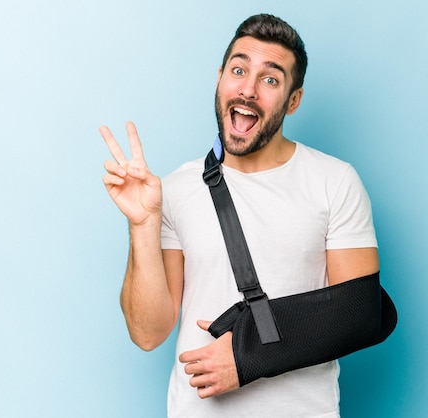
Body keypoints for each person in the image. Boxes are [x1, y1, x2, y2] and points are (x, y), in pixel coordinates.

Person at [100, 14, 379, 418]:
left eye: (270, 79)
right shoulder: (176, 189)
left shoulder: (334, 181)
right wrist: (142, 225)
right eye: (238, 70)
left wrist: (248, 357)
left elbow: (361, 315)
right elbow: (147, 333)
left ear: (293, 100)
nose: (248, 89)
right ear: (219, 78)